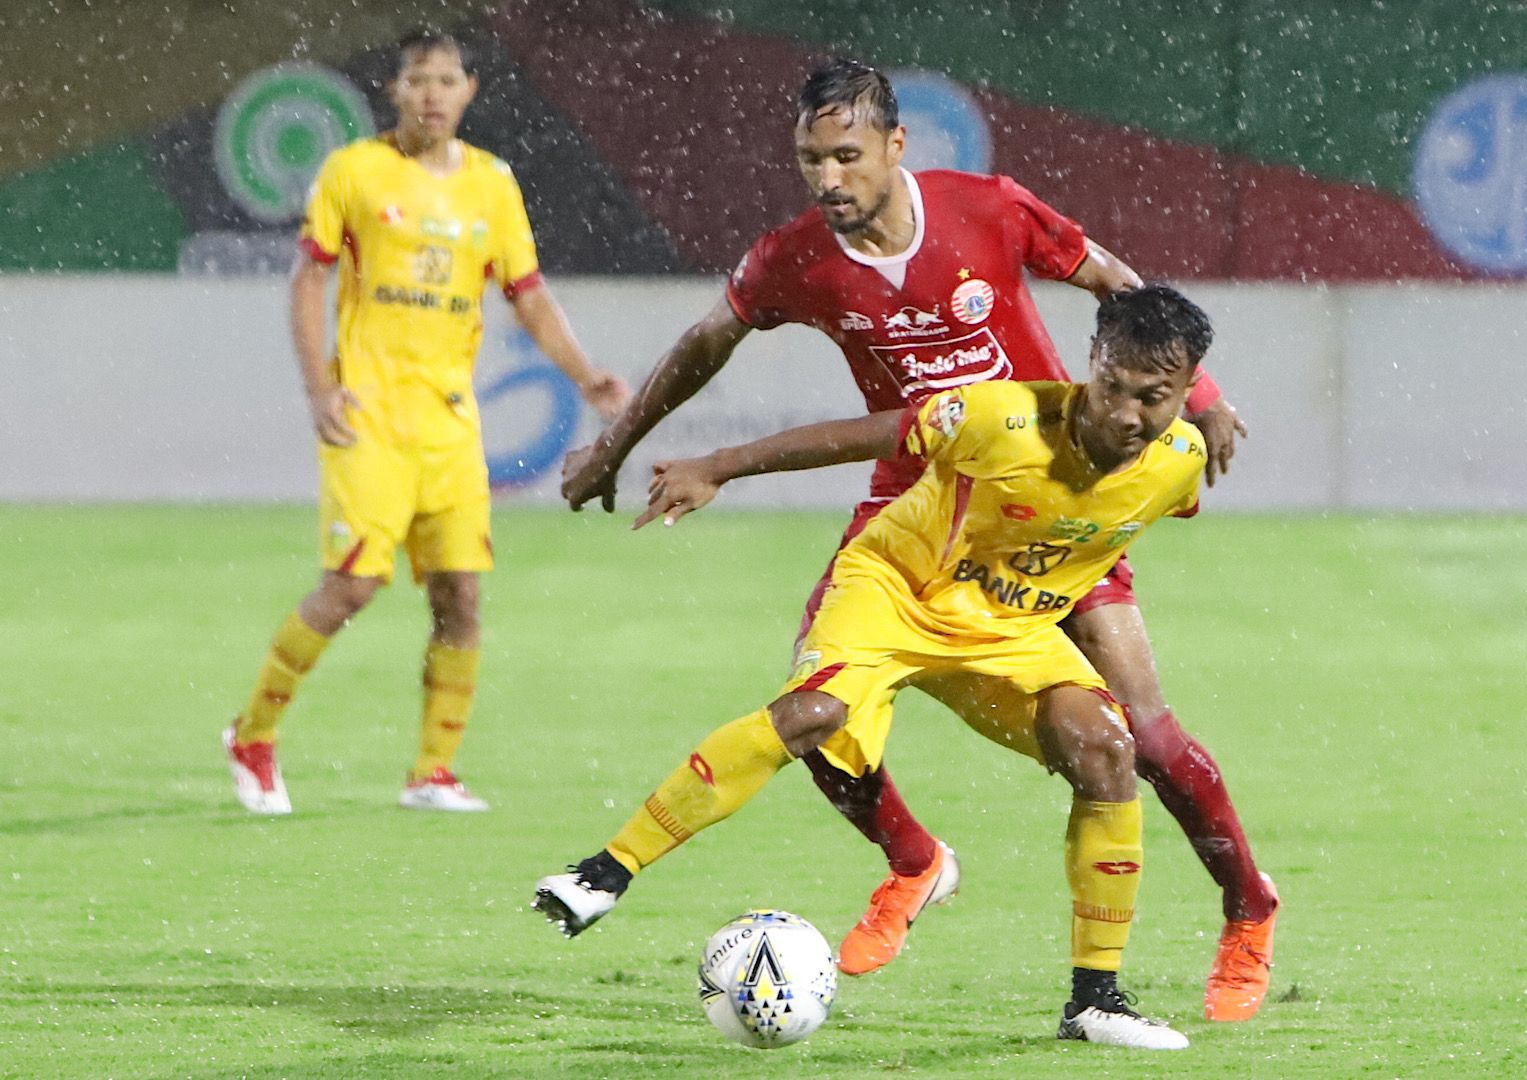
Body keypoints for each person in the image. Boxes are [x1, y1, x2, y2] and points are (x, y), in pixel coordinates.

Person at [559, 59, 1276, 1019]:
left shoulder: (989, 209)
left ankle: (1247, 907)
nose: (827, 178)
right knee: (815, 712)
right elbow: (705, 343)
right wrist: (616, 447)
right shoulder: (795, 258)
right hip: (923, 507)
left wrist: (1204, 396)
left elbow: (1120, 290)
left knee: (1141, 738)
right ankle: (916, 861)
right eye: (810, 159)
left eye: (846, 155)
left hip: (1054, 506)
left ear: (897, 147)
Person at [539, 286, 1227, 1050]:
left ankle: (1095, 1001)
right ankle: (605, 871)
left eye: (1153, 398)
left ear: (1187, 389)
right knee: (812, 715)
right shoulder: (999, 416)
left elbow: (1099, 524)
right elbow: (859, 436)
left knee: (1106, 748)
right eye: (1113, 388)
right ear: (1090, 365)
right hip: (894, 590)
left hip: (1003, 631)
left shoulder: (1179, 463)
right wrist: (720, 465)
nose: (1127, 415)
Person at [220, 30, 630, 815]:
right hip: (368, 413)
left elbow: (528, 293)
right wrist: (319, 389)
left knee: (461, 597)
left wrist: (585, 373)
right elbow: (309, 280)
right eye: (419, 80)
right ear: (396, 90)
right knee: (351, 587)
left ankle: (432, 772)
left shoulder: (491, 184)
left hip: (450, 425)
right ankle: (253, 734)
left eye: (448, 79)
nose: (434, 93)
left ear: (470, 89)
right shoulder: (355, 171)